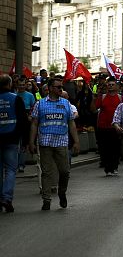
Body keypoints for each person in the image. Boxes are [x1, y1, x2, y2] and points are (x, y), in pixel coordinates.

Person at [28, 77, 80, 210]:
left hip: (61, 142)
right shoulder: (40, 104)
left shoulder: (66, 103)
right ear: (50, 88)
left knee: (65, 171)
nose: (61, 89)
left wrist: (76, 141)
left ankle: (62, 192)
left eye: (61, 87)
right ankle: (46, 200)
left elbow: (71, 123)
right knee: (46, 173)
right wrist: (31, 142)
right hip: (45, 143)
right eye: (58, 87)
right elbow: (34, 124)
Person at [0, 74, 29, 212]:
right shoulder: (16, 98)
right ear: (10, 84)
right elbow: (23, 121)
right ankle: (6, 198)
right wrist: (25, 141)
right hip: (12, 138)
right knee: (11, 170)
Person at [93, 81, 123, 176]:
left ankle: (114, 167)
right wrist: (94, 98)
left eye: (112, 85)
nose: (110, 86)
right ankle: (107, 168)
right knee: (104, 149)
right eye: (109, 85)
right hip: (103, 127)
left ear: (117, 87)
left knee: (115, 148)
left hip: (116, 127)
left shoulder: (120, 98)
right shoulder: (102, 97)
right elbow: (93, 108)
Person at [14, 76, 35, 174]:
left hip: (26, 122)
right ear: (16, 85)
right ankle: (15, 164)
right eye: (20, 85)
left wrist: (30, 116)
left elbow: (34, 108)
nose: (21, 87)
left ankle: (21, 165)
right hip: (15, 122)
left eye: (23, 85)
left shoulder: (30, 95)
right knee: (15, 144)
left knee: (23, 144)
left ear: (26, 85)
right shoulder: (14, 95)